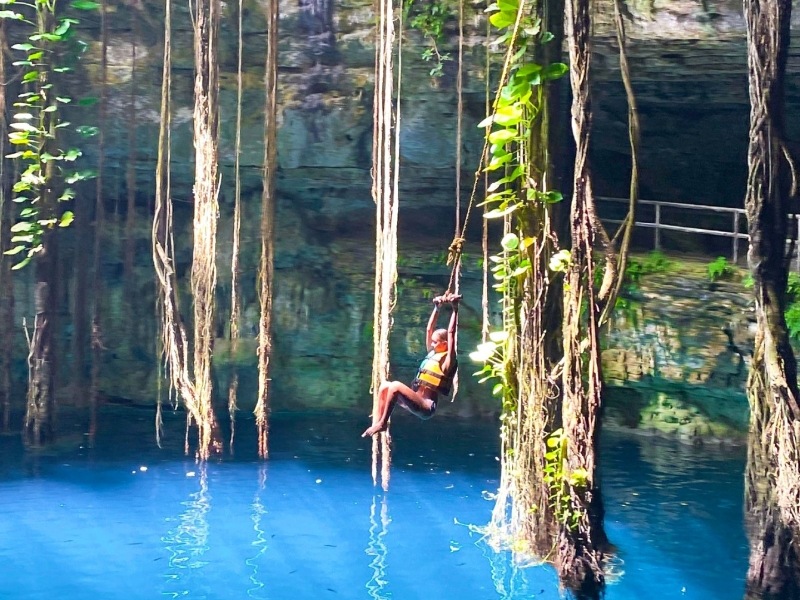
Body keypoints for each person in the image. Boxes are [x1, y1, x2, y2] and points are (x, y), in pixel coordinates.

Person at [362, 292, 461, 437]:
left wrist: (455, 309)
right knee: (385, 386)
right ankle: (377, 422)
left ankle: (382, 424)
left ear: (445, 344)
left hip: (426, 407)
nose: (431, 344)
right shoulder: (433, 353)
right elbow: (429, 329)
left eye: (435, 342)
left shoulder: (448, 360)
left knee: (395, 386)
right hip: (415, 399)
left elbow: (451, 333)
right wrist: (437, 308)